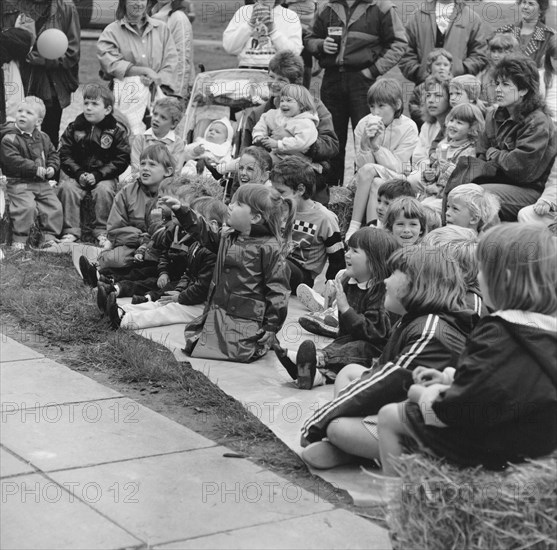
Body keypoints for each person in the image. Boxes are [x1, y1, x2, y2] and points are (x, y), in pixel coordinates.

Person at [376, 223, 557, 476]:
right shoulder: (548, 329)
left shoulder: (497, 330)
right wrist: (450, 378)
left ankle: (396, 504)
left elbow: (458, 409)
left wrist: (425, 394)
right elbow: (509, 382)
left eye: (481, 270)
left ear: (502, 279)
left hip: (493, 446)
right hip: (540, 447)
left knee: (391, 414)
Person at [299, 243, 478, 464]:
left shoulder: (431, 332)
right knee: (350, 372)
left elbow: (384, 384)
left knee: (337, 427)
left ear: (417, 284)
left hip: (428, 433)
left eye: (393, 273)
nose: (385, 280)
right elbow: (380, 374)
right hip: (405, 408)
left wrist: (319, 422)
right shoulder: (415, 319)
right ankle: (354, 451)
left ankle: (356, 449)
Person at [161, 183, 296, 362]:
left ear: (255, 217)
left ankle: (263, 340)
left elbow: (278, 291)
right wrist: (183, 212)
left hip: (246, 318)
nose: (230, 206)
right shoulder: (228, 236)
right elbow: (204, 232)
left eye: (238, 204)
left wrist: (272, 326)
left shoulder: (269, 248)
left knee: (237, 349)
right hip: (220, 312)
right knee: (197, 343)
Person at [273, 227, 400, 389]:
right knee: (340, 347)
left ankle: (313, 360)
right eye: (348, 248)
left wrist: (346, 309)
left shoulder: (380, 291)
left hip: (377, 350)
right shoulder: (350, 282)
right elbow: (345, 330)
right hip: (352, 340)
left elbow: (377, 334)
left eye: (355, 251)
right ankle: (312, 375)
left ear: (375, 261)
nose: (347, 254)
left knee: (356, 349)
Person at [305, 0, 407, 187]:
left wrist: (373, 71)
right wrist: (320, 45)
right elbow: (309, 38)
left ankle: (359, 189)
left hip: (363, 82)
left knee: (367, 137)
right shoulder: (327, 7)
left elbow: (399, 43)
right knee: (332, 138)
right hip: (332, 79)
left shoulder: (382, 7)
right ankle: (331, 191)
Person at [102, 197, 226, 330]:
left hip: (205, 306)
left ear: (212, 226)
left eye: (193, 219)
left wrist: (181, 297)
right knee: (162, 302)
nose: (188, 223)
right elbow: (188, 274)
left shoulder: (212, 254)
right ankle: (121, 309)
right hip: (190, 296)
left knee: (170, 310)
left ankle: (125, 320)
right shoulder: (197, 245)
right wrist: (178, 291)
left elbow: (202, 289)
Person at [242, 51, 339, 205]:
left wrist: (296, 142)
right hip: (269, 175)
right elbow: (246, 153)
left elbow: (331, 145)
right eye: (271, 76)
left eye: (281, 79)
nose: (274, 83)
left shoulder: (315, 108)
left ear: (295, 84)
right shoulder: (259, 113)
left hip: (305, 175)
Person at [473, 55, 556, 221]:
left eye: (505, 84)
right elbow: (481, 154)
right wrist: (493, 156)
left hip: (529, 190)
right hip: (498, 181)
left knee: (474, 197)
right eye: (497, 83)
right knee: (460, 190)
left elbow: (520, 169)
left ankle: (490, 245)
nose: (498, 89)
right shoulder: (494, 115)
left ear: (524, 90)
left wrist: (494, 153)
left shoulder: (537, 121)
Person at [56, 84, 131, 248]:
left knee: (104, 190)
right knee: (67, 188)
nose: (88, 108)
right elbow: (64, 154)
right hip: (77, 174)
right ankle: (70, 231)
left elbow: (122, 158)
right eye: (86, 103)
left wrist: (98, 174)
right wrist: (78, 173)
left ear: (107, 109)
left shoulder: (116, 131)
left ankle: (102, 231)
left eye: (94, 104)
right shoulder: (74, 128)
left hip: (104, 177)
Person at [345, 78, 419, 239]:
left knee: (373, 175)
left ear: (397, 105)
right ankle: (369, 229)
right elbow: (362, 171)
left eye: (381, 106)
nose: (375, 112)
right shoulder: (363, 124)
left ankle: (356, 226)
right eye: (372, 106)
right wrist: (365, 144)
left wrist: (377, 148)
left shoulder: (409, 127)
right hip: (370, 179)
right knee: (377, 182)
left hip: (399, 178)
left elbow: (398, 167)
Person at [270, 157, 345, 292]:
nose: (275, 195)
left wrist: (331, 290)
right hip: (276, 263)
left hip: (300, 275)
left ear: (300, 189)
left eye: (281, 192)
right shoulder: (277, 208)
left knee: (276, 261)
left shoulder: (324, 218)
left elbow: (337, 260)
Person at [97, 143, 175, 272]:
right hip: (132, 245)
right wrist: (140, 238)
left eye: (152, 164)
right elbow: (115, 229)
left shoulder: (174, 194)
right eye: (142, 163)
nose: (145, 168)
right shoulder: (127, 192)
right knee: (116, 260)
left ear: (168, 171)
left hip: (161, 247)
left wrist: (153, 239)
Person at [15, 0, 79, 148]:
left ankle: (49, 170)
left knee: (48, 140)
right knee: (17, 137)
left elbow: (72, 53)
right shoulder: (13, 5)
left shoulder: (66, 7)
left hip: (52, 85)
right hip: (20, 80)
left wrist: (46, 60)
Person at [0, 96, 61, 250]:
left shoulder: (44, 137)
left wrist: (52, 168)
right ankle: (19, 238)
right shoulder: (9, 138)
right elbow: (13, 160)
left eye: (28, 113)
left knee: (54, 205)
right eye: (20, 111)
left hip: (41, 182)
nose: (22, 114)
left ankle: (48, 236)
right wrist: (34, 168)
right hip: (19, 182)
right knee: (26, 207)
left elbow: (53, 154)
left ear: (38, 121)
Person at [97, 0, 178, 96]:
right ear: (124, 2)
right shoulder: (111, 32)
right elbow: (111, 64)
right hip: (125, 98)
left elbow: (171, 61)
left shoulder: (162, 29)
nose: (139, 4)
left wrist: (156, 79)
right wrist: (144, 72)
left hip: (157, 95)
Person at [400, 0, 490, 86]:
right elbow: (405, 51)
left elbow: (479, 54)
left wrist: (461, 72)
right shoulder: (417, 16)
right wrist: (420, 73)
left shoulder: (472, 19)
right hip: (425, 90)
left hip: (458, 92)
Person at [421, 103, 484, 209]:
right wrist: (429, 177)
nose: (452, 125)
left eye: (459, 123)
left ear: (472, 128)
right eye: (451, 120)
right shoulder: (443, 145)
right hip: (433, 195)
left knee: (424, 208)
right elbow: (432, 172)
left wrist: (445, 172)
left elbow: (460, 179)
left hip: (450, 200)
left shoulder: (469, 152)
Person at [222, 0, 302, 69]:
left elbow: (294, 53)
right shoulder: (243, 12)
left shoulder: (290, 16)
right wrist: (249, 25)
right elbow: (229, 47)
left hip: (278, 74)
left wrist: (273, 31)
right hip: (246, 71)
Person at [252, 84, 318, 166]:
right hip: (278, 155)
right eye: (282, 100)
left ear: (301, 105)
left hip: (297, 161)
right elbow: (266, 118)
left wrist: (278, 144)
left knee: (259, 164)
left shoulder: (306, 123)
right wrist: (259, 135)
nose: (283, 104)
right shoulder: (280, 115)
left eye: (289, 100)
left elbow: (301, 143)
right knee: (254, 159)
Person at [407, 77, 451, 191]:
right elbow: (417, 157)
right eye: (428, 96)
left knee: (414, 178)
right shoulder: (427, 125)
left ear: (450, 99)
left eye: (438, 96)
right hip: (427, 172)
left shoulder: (455, 126)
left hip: (447, 176)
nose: (431, 100)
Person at [129, 96, 185, 179]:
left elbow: (175, 171)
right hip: (142, 182)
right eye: (155, 114)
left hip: (165, 186)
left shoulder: (177, 143)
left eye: (163, 117)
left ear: (173, 123)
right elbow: (136, 167)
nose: (156, 119)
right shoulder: (140, 139)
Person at [148, 0, 194, 100]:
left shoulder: (178, 18)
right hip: (150, 88)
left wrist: (177, 95)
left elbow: (182, 60)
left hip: (169, 91)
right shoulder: (150, 14)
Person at [496, 0, 555, 69]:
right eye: (524, 2)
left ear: (541, 9)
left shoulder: (550, 36)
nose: (525, 7)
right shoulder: (505, 32)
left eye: (531, 4)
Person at [408, 48, 453, 129]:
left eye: (445, 65)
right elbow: (413, 107)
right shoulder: (421, 88)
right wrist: (427, 119)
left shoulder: (454, 87)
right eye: (438, 64)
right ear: (429, 67)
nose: (442, 68)